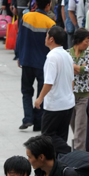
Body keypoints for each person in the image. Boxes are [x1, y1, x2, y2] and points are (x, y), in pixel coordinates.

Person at [15, 0, 56, 131]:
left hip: (26, 60)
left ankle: (27, 118)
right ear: (48, 5)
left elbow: (19, 37)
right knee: (41, 93)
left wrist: (18, 55)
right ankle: (38, 123)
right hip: (42, 63)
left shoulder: (26, 17)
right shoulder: (50, 24)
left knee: (26, 91)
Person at [35, 26, 75, 155]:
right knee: (61, 136)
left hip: (55, 105)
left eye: (46, 36)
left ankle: (69, 152)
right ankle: (61, 164)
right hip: (68, 103)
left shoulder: (52, 57)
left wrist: (40, 98)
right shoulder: (66, 55)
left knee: (47, 137)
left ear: (51, 39)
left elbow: (48, 82)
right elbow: (71, 79)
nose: (45, 39)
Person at [69, 29, 89, 151]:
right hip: (70, 95)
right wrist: (80, 68)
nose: (87, 44)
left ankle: (78, 153)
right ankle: (80, 149)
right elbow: (68, 69)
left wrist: (74, 67)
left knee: (80, 127)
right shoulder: (67, 53)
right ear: (78, 41)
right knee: (74, 126)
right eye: (86, 41)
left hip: (84, 96)